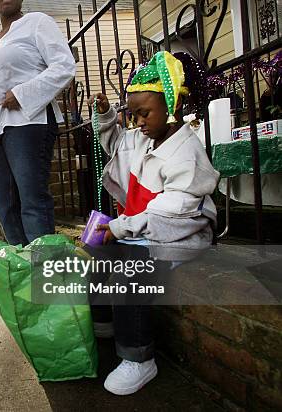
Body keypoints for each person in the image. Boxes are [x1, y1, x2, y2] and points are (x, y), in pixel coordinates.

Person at [87, 51, 219, 395]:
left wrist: (120, 227)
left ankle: (139, 358)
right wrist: (105, 116)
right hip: (142, 230)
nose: (138, 122)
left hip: (181, 235)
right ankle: (104, 322)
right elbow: (115, 144)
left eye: (144, 113)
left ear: (170, 107)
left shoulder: (186, 152)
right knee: (98, 250)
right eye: (133, 115)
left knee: (131, 268)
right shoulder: (143, 137)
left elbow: (170, 212)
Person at [0, 0, 75, 246]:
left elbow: (65, 66)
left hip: (29, 123)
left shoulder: (37, 23)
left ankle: (45, 273)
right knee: (2, 205)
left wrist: (23, 93)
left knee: (32, 200)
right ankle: (25, 266)